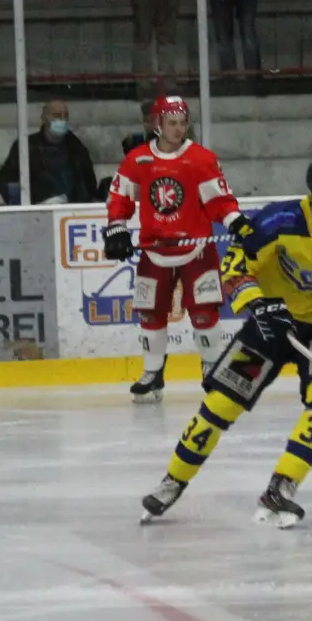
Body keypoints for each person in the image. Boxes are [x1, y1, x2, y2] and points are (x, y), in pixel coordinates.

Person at [137, 152, 312, 529]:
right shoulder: (278, 220)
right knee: (221, 403)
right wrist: (258, 304)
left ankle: (281, 488)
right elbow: (236, 263)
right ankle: (173, 480)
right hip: (272, 324)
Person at [103, 95, 246, 402]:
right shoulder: (138, 159)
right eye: (172, 123)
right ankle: (153, 373)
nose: (179, 129)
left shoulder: (201, 159)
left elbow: (219, 200)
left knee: (205, 313)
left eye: (183, 123)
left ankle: (212, 369)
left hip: (197, 249)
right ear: (157, 125)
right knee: (150, 313)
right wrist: (116, 227)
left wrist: (234, 221)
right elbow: (120, 196)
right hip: (155, 250)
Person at [0, 99, 99, 205]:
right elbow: (7, 180)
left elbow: (89, 183)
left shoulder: (77, 149)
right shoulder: (26, 147)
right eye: (57, 115)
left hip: (73, 212)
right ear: (44, 118)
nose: (62, 119)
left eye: (65, 115)